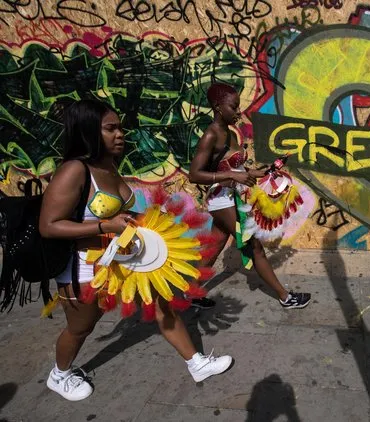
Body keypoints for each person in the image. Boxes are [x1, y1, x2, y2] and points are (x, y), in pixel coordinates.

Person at [38, 99, 232, 402]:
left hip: (126, 262)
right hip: (85, 269)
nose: (120, 134)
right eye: (110, 128)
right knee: (81, 329)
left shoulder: (108, 166)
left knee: (163, 303)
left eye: (120, 127)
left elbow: (121, 214)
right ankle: (59, 374)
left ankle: (197, 364)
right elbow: (49, 226)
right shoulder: (75, 171)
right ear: (89, 130)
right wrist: (105, 227)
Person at [189, 83, 311, 309]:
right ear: (218, 107)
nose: (238, 112)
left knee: (214, 247)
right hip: (221, 200)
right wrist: (231, 176)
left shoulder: (226, 131)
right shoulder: (211, 135)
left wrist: (258, 172)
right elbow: (194, 174)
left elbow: (235, 169)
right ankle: (285, 297)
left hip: (229, 199)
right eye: (233, 107)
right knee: (254, 247)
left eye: (238, 107)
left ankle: (189, 295)